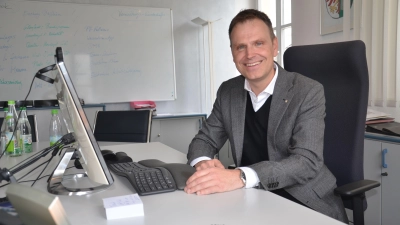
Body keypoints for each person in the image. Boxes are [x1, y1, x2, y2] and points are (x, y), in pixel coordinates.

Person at [184, 9, 348, 223]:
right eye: (240, 46)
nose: (249, 54)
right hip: (251, 199)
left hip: (302, 199)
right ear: (232, 53)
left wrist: (241, 176)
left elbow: (306, 162)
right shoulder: (228, 91)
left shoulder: (307, 91)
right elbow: (204, 140)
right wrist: (203, 163)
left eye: (258, 43)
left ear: (275, 46)